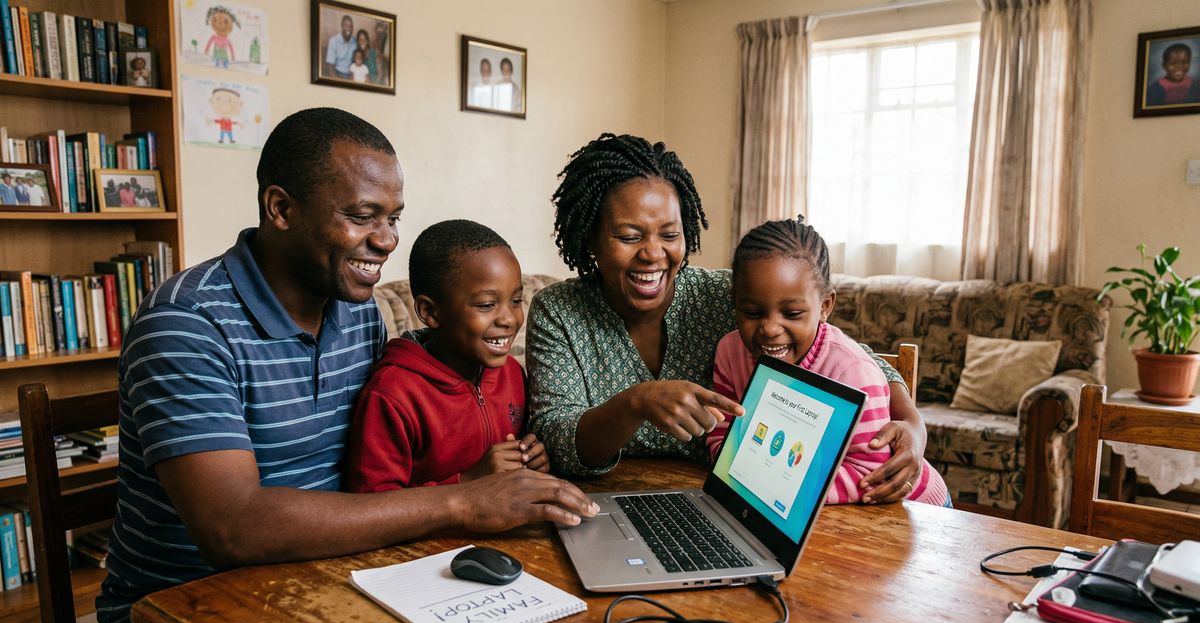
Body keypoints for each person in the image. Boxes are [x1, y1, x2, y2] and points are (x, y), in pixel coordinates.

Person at [97, 108, 597, 623]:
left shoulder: (355, 310)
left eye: (393, 217)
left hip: (333, 575)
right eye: (362, 216)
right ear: (281, 209)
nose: (386, 241)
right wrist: (462, 499)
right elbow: (232, 528)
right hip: (180, 619)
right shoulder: (187, 323)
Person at [527, 133, 928, 504]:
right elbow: (558, 439)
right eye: (630, 237)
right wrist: (635, 403)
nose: (653, 254)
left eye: (669, 234)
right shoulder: (559, 312)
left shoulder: (729, 296)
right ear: (591, 240)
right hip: (607, 503)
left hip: (729, 503)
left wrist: (912, 423)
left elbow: (853, 357)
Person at [707, 217, 949, 506]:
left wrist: (773, 486)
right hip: (797, 507)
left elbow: (872, 473)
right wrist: (756, 481)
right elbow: (722, 434)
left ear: (825, 307)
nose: (770, 328)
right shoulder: (729, 353)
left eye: (792, 314)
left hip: (913, 510)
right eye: (752, 312)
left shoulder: (852, 371)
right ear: (734, 303)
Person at [346, 220, 549, 492]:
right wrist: (469, 482)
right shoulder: (392, 394)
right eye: (487, 305)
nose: (509, 319)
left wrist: (533, 458)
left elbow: (515, 466)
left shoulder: (512, 372)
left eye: (515, 300)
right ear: (430, 312)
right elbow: (372, 504)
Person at [325, 14, 356, 79]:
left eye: (351, 26)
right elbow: (330, 66)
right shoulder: (333, 41)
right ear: (341, 26)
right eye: (346, 26)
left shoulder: (355, 41)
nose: (349, 29)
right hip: (338, 74)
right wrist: (336, 82)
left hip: (352, 75)